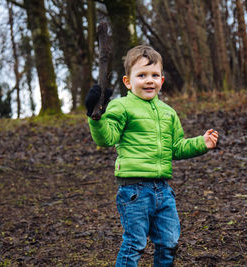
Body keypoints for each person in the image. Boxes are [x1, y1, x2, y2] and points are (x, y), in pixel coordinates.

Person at [85, 45, 218, 267]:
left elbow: (176, 147)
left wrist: (201, 143)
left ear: (162, 80)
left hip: (164, 190)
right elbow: (106, 139)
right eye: (142, 75)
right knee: (135, 243)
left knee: (169, 242)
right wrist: (95, 117)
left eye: (154, 75)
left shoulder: (168, 112)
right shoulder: (121, 106)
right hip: (134, 190)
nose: (149, 80)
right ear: (128, 81)